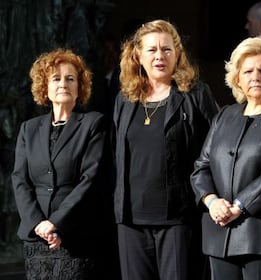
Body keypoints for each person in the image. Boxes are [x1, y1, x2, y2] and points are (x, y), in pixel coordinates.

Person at [191, 35, 261, 280]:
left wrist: (239, 206)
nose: (256, 77)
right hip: (220, 237)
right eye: (248, 71)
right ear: (237, 79)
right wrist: (212, 202)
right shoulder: (224, 116)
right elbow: (201, 167)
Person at [112, 19, 219, 280]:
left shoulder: (195, 95)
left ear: (178, 54)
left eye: (167, 49)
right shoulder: (125, 99)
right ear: (137, 55)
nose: (160, 56)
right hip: (130, 218)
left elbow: (216, 149)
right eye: (152, 50)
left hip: (178, 217)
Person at [11, 48, 107, 279]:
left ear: (79, 87)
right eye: (56, 78)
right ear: (45, 86)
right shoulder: (29, 128)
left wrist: (56, 223)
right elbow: (20, 180)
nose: (63, 83)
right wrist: (38, 224)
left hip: (75, 236)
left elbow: (90, 180)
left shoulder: (93, 123)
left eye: (70, 79)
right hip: (37, 238)